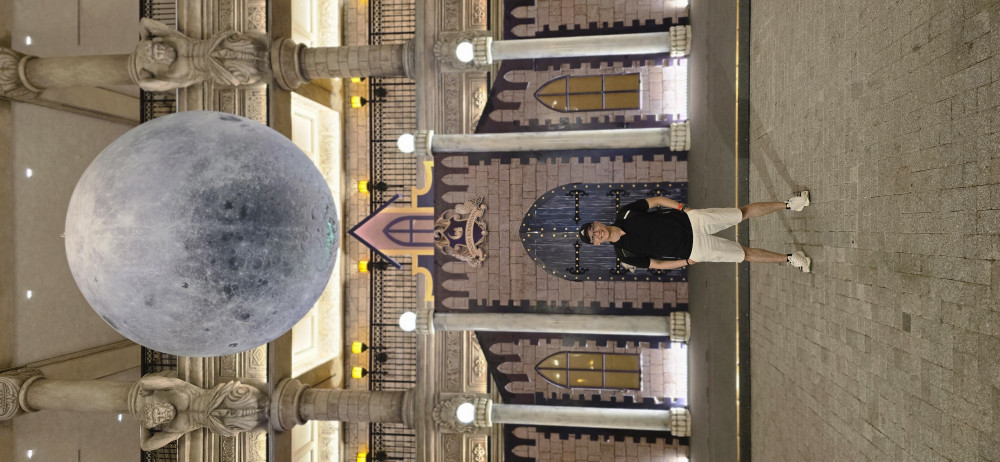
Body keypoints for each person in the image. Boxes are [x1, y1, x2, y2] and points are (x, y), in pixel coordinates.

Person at [578, 192, 812, 272]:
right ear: (596, 243)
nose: (596, 234)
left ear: (597, 223)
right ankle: (791, 258)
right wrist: (687, 262)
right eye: (592, 237)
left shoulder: (626, 213)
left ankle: (791, 204)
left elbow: (657, 201)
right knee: (744, 254)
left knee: (742, 213)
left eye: (593, 229)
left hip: (692, 221)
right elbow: (657, 264)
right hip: (693, 250)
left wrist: (683, 208)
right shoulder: (624, 255)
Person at [129, 371, 268, 451]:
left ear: (159, 404)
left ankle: (268, 390)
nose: (163, 415)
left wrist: (146, 389)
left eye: (158, 412)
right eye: (159, 419)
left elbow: (145, 382)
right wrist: (144, 425)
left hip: (219, 398)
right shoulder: (173, 429)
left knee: (254, 398)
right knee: (254, 422)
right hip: (218, 421)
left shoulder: (175, 390)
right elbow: (146, 446)